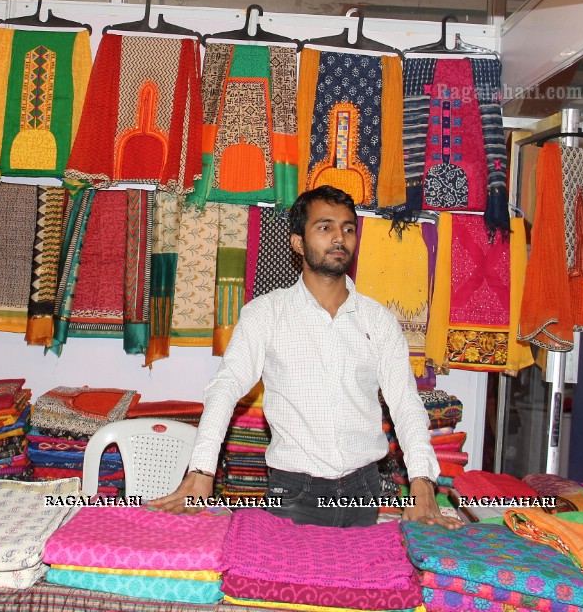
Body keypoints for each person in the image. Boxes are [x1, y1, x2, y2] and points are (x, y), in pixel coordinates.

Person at [149, 186, 460, 529]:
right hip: (294, 493)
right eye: (325, 227)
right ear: (298, 242)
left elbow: (405, 402)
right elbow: (226, 386)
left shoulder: (378, 320)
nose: (339, 238)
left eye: (348, 228)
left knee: (361, 582)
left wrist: (422, 480)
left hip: (365, 489)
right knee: (290, 583)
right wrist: (202, 469)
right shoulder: (266, 314)